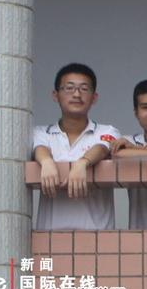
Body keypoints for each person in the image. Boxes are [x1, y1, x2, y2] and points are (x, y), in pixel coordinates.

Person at [33, 63, 120, 230]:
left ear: (94, 97)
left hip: (99, 240)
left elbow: (102, 147)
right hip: (50, 239)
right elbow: (39, 147)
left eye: (84, 89)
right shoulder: (41, 132)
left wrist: (83, 163)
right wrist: (46, 162)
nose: (76, 94)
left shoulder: (108, 131)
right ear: (55, 95)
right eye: (69, 88)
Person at [110, 80, 147, 229]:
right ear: (136, 113)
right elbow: (117, 153)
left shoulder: (131, 145)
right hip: (138, 238)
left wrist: (137, 151)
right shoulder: (130, 141)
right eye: (145, 107)